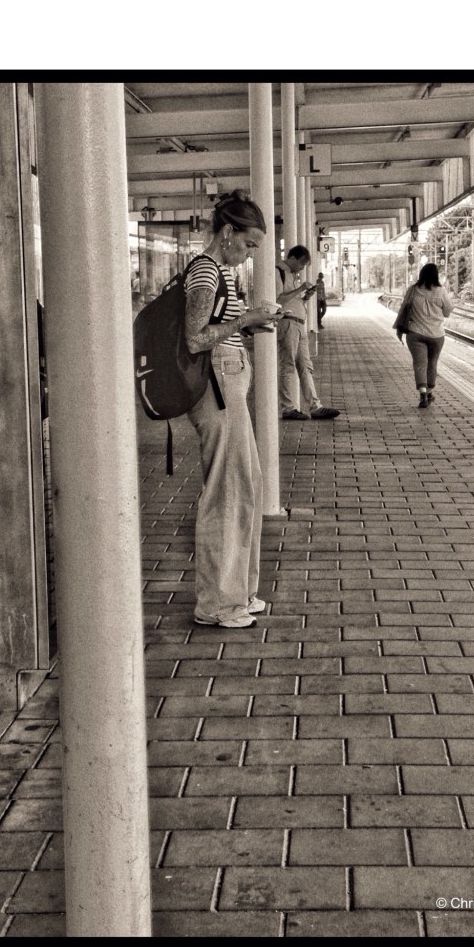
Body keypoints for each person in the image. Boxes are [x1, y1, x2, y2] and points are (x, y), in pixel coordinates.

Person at [184, 190, 282, 628]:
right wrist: (244, 321)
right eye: (248, 245)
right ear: (227, 233)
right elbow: (194, 339)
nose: (250, 255)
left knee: (245, 483)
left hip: (228, 382)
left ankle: (240, 591)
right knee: (227, 491)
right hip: (217, 388)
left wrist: (250, 322)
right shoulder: (205, 273)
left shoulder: (219, 270)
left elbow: (215, 330)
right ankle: (218, 604)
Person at [275, 246, 339, 420]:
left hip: (298, 324)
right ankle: (288, 408)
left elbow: (291, 299)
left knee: (306, 366)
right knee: (288, 365)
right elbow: (278, 299)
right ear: (294, 258)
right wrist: (299, 288)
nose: (302, 268)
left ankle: (315, 406)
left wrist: (305, 296)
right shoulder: (278, 272)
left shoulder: (292, 276)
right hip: (287, 323)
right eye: (302, 264)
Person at [394, 263, 454, 408]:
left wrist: (399, 328)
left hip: (415, 333)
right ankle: (429, 392)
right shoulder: (441, 291)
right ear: (436, 275)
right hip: (436, 334)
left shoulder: (413, 290)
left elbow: (403, 309)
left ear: (421, 274)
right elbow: (447, 312)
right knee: (432, 363)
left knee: (419, 364)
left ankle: (422, 394)